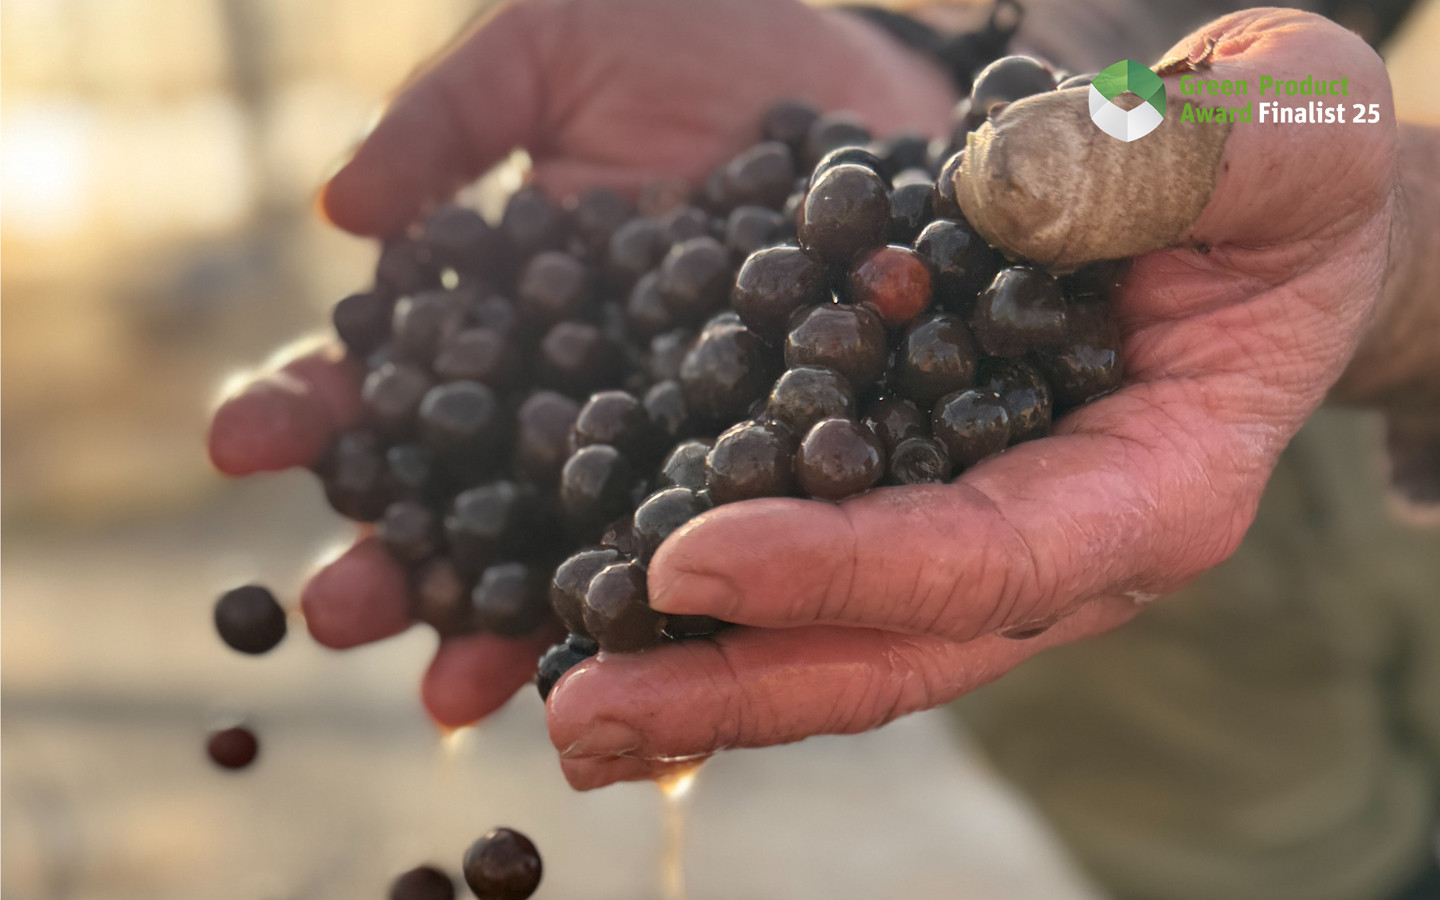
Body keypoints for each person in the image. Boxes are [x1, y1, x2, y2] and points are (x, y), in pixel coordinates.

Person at [206, 1, 1440, 897]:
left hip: (1158, 420)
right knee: (1285, 854)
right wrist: (998, 54)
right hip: (1098, 538)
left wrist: (1372, 218)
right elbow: (1186, 91)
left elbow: (1291, 100)